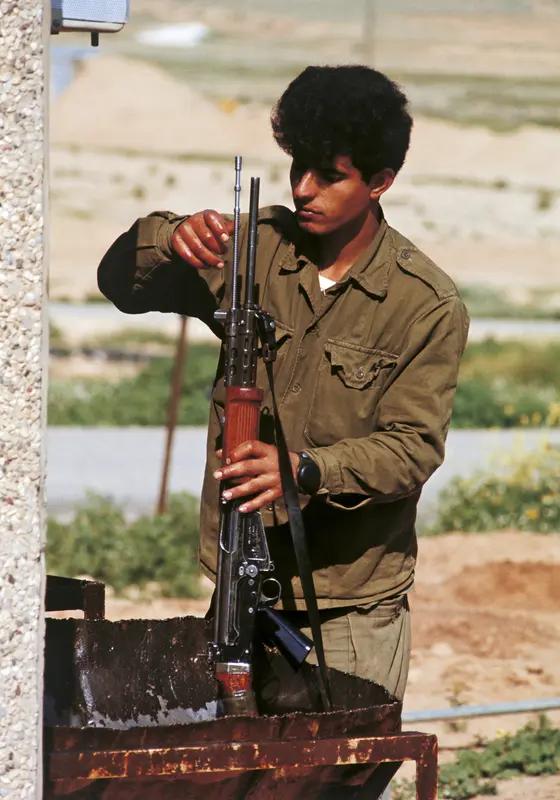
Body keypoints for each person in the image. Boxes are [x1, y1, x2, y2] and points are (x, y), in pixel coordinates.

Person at [98, 65, 469, 703]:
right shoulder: (255, 249)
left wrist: (304, 470)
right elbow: (122, 286)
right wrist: (169, 237)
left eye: (329, 175)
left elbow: (413, 448)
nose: (303, 189)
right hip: (237, 592)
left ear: (380, 182)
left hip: (348, 610)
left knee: (338, 758)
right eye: (298, 167)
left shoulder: (425, 303)